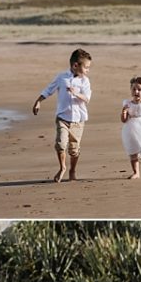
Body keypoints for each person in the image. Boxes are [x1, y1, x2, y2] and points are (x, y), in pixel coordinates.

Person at [32, 48, 92, 183]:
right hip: (62, 118)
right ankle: (63, 167)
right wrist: (38, 101)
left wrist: (76, 93)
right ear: (76, 65)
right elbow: (49, 89)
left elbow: (87, 98)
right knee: (60, 144)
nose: (88, 70)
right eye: (86, 67)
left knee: (74, 149)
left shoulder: (85, 81)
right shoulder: (61, 77)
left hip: (78, 120)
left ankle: (73, 170)